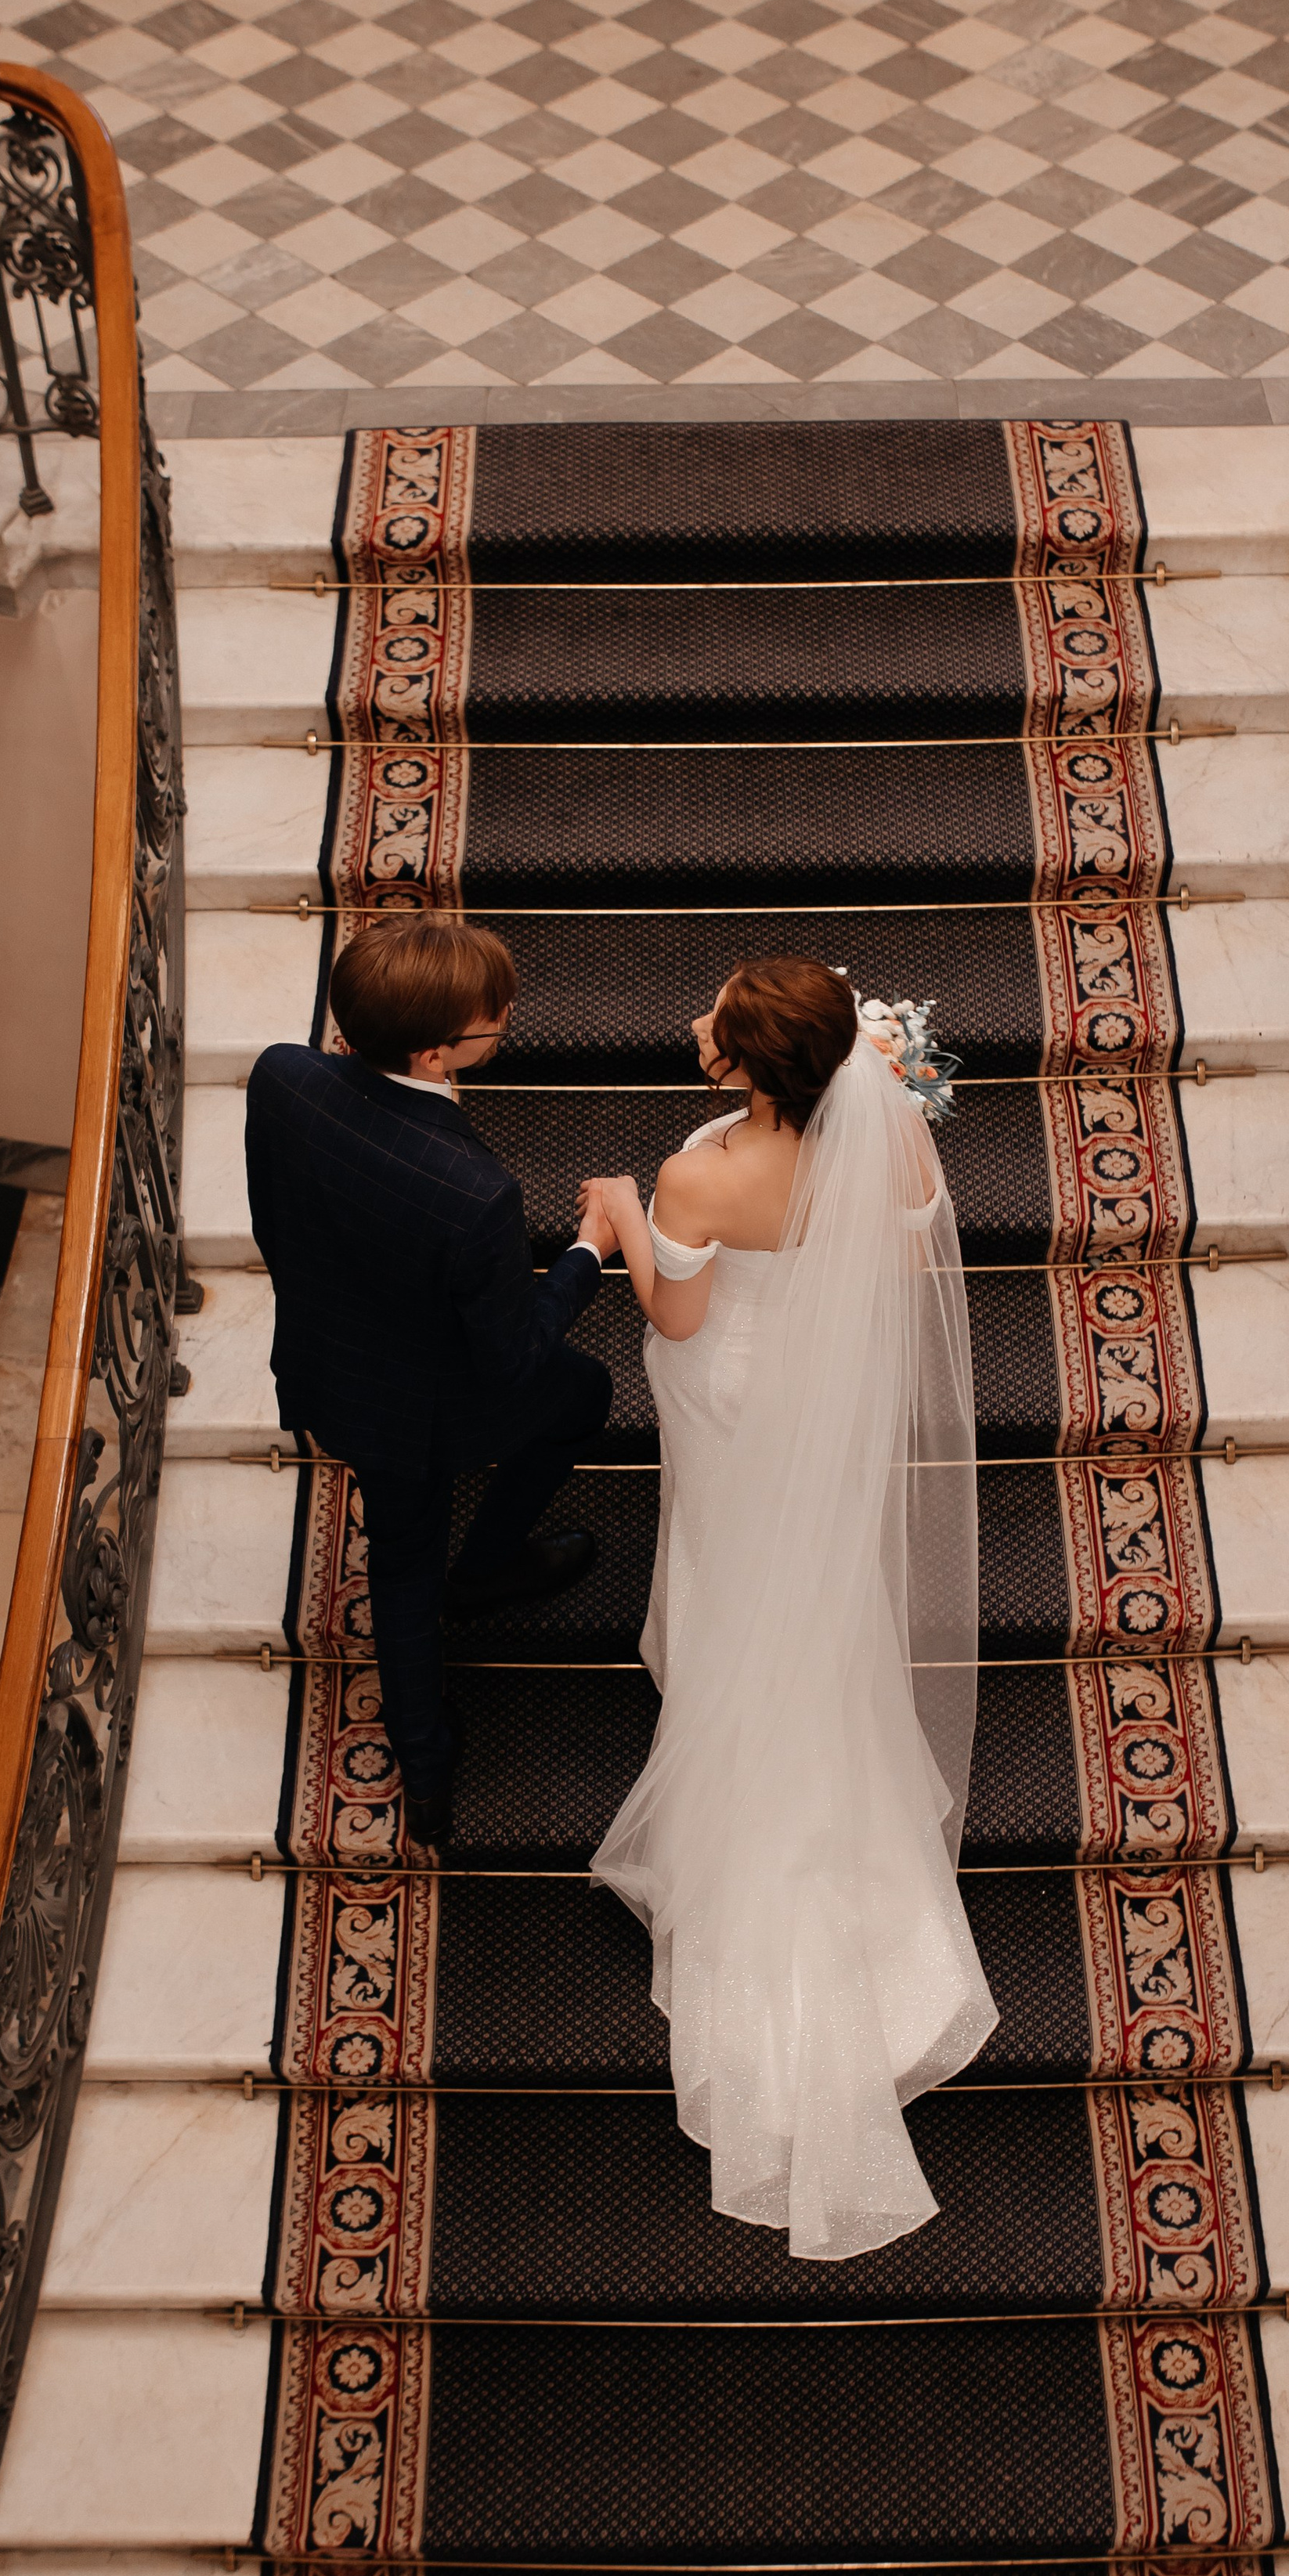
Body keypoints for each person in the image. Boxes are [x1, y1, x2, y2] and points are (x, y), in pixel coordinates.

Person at [581, 957, 996, 2263]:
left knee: (733, 1550)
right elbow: (901, 1240)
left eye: (716, 1014)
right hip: (828, 1402)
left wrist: (619, 1226)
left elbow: (681, 1319)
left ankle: (727, 1703)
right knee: (810, 1568)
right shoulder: (895, 1135)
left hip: (741, 1395)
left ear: (748, 1069)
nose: (696, 1013)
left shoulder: (700, 1176)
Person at [244, 914, 618, 1846]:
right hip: (429, 1407)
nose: (506, 1024)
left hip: (332, 1367)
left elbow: (272, 1219)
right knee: (577, 1397)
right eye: (496, 1020)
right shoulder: (473, 1190)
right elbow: (514, 1357)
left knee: (403, 1553)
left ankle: (424, 1758)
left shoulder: (282, 1074)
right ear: (436, 1053)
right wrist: (589, 1250)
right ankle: (487, 1568)